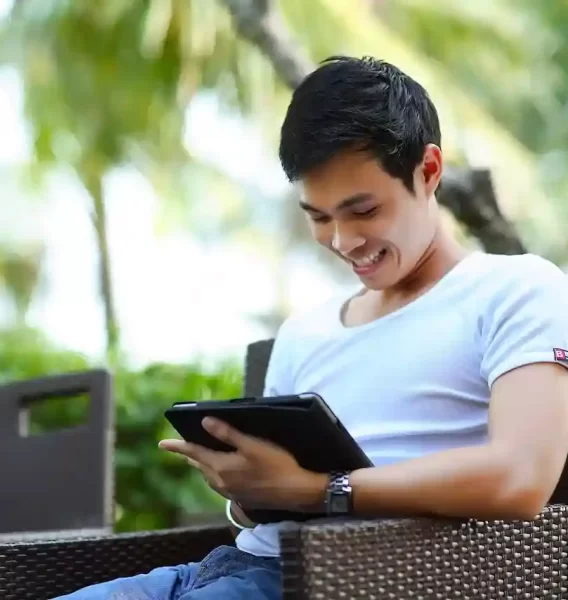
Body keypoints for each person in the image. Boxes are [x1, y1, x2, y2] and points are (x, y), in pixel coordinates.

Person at [55, 56, 568, 600]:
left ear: (429, 171)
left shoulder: (517, 289)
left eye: (363, 210)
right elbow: (262, 511)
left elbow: (520, 479)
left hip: (345, 580)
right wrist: (248, 488)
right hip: (228, 566)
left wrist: (322, 490)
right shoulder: (306, 329)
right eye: (319, 217)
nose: (343, 241)